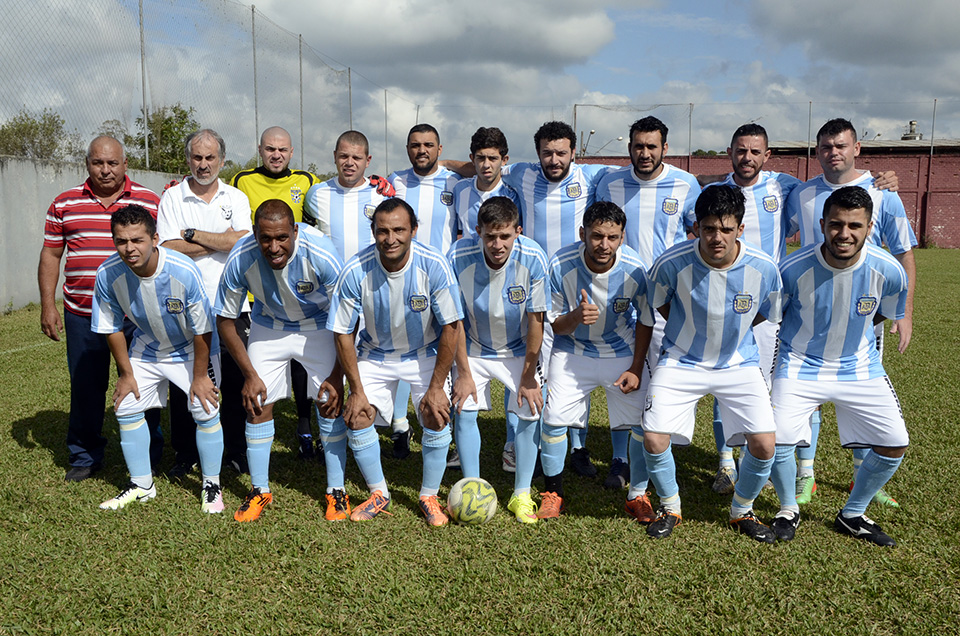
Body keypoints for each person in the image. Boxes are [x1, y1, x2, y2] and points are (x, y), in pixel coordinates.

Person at [785, 118, 916, 507]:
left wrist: (904, 311)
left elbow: (903, 251)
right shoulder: (802, 193)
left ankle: (863, 473)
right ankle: (805, 472)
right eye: (825, 146)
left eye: (841, 146)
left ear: (857, 148)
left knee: (856, 386)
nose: (833, 153)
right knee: (806, 387)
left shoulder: (882, 192)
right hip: (809, 305)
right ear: (817, 151)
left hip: (863, 308)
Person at [641, 185, 782, 542]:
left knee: (765, 444)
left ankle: (741, 510)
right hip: (681, 359)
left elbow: (767, 312)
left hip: (738, 363)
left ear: (740, 229)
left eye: (725, 229)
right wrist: (691, 329)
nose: (716, 237)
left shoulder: (764, 268)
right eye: (708, 229)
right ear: (696, 227)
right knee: (655, 438)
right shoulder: (671, 263)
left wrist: (729, 333)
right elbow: (658, 303)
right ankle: (670, 507)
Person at [769, 186, 909, 546]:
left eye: (854, 226)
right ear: (822, 224)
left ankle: (853, 514)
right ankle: (787, 508)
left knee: (895, 442)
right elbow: (775, 317)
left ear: (868, 226)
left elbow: (881, 312)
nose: (844, 234)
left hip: (858, 366)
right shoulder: (791, 268)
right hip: (800, 363)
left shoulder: (889, 270)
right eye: (835, 224)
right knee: (777, 441)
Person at [328, 198, 463, 526]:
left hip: (425, 353)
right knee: (357, 414)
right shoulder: (356, 269)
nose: (391, 238)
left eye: (399, 230)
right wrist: (356, 389)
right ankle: (379, 493)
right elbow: (343, 333)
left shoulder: (434, 265)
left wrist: (435, 387)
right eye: (383, 231)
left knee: (435, 412)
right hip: (375, 354)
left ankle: (428, 495)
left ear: (413, 230)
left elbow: (451, 326)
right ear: (373, 232)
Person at [39, 136, 164, 482]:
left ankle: (149, 453)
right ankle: (84, 455)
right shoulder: (65, 203)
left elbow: (162, 253)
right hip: (82, 313)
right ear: (87, 164)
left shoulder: (150, 202)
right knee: (85, 386)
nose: (105, 170)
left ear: (125, 164)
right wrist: (48, 305)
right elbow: (51, 254)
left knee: (143, 384)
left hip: (137, 316)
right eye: (98, 163)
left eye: (112, 163)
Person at [215, 200, 345, 522]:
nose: (274, 247)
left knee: (329, 400)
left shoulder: (322, 254)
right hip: (269, 325)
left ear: (296, 232)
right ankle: (260, 490)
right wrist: (249, 375)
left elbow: (347, 319)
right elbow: (224, 320)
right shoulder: (241, 258)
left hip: (319, 325)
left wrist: (337, 374)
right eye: (265, 238)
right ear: (255, 233)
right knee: (257, 402)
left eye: (282, 238)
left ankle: (336, 490)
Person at [500, 121, 615, 479]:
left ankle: (578, 447)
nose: (554, 159)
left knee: (575, 367)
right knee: (528, 365)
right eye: (547, 153)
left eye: (561, 152)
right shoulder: (520, 174)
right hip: (532, 285)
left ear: (574, 153)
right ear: (537, 154)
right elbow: (477, 165)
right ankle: (515, 445)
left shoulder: (592, 177)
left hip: (575, 284)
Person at [92, 205, 223, 512]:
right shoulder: (108, 274)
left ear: (155, 239)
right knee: (126, 405)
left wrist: (201, 377)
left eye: (137, 240)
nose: (129, 248)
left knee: (204, 408)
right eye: (121, 241)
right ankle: (141, 484)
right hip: (148, 348)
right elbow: (111, 328)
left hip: (192, 349)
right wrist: (126, 374)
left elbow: (204, 329)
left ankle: (211, 485)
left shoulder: (183, 270)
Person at [595, 116, 700, 490]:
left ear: (664, 149)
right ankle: (620, 460)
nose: (644, 153)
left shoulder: (686, 184)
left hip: (668, 300)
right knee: (628, 379)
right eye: (638, 146)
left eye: (651, 146)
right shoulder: (608, 182)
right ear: (629, 148)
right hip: (621, 297)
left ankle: (656, 455)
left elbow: (698, 233)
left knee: (662, 380)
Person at [538, 201, 652, 520]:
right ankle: (553, 494)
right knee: (554, 420)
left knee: (643, 424)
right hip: (573, 351)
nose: (604, 245)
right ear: (582, 233)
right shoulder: (560, 263)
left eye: (612, 237)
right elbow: (555, 324)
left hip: (620, 350)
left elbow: (644, 320)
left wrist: (636, 367)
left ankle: (638, 495)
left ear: (622, 237)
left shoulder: (635, 268)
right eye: (597, 236)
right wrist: (575, 317)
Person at [157, 129, 252, 479]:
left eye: (210, 158)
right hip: (182, 305)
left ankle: (235, 451)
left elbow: (242, 242)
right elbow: (166, 247)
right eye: (197, 157)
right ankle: (185, 453)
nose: (203, 164)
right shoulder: (172, 198)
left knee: (235, 380)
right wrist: (220, 241)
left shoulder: (236, 197)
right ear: (188, 160)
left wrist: (192, 235)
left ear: (222, 161)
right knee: (187, 380)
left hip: (231, 304)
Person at [448, 197, 548, 523]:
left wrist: (529, 375)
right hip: (473, 347)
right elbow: (454, 319)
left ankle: (521, 494)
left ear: (517, 232)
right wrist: (463, 371)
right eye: (490, 236)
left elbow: (536, 319)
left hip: (519, 349)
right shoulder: (458, 256)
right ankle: (472, 485)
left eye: (505, 236)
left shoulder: (533, 257)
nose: (497, 244)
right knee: (463, 410)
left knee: (530, 411)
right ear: (478, 231)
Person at [232, 126, 323, 461]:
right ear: (260, 149)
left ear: (292, 152)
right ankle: (250, 436)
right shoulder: (242, 180)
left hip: (299, 287)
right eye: (270, 149)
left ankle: (304, 421)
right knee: (257, 368)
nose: (276, 155)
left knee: (302, 362)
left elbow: (315, 225)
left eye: (282, 150)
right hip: (259, 291)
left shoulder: (307, 181)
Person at [387, 124, 463, 461]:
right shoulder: (395, 183)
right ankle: (400, 425)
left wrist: (454, 165)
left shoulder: (453, 182)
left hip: (443, 281)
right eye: (415, 145)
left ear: (440, 149)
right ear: (407, 149)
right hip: (404, 281)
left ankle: (449, 437)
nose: (422, 151)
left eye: (429, 145)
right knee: (405, 349)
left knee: (448, 355)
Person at [450, 127, 524, 473]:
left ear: (504, 161)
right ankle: (461, 450)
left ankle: (512, 442)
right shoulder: (459, 189)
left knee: (515, 359)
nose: (485, 164)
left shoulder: (515, 190)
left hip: (509, 280)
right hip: (469, 279)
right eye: (479, 157)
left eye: (493, 158)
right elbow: (456, 233)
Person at [302, 130, 393, 262]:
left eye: (356, 158)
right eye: (344, 156)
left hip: (369, 279)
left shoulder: (381, 194)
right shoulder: (316, 194)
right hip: (332, 280)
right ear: (335, 156)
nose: (349, 162)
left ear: (368, 161)